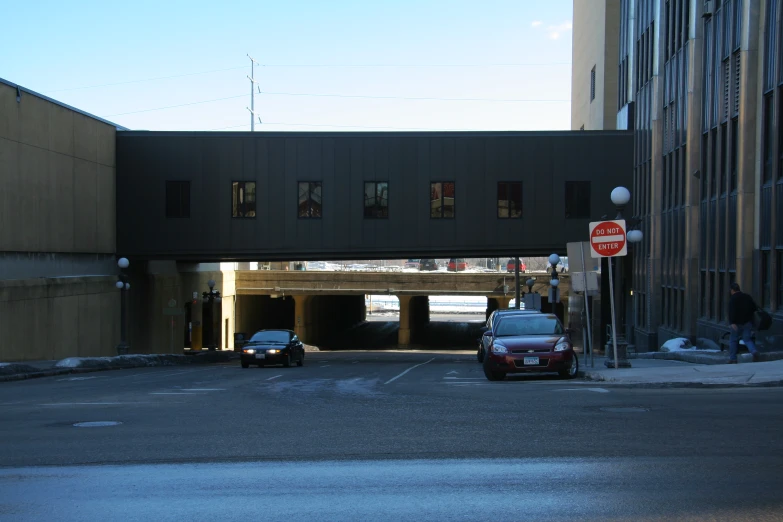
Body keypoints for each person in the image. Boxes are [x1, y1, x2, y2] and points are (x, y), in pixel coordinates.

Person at [728, 283, 760, 363]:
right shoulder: (747, 297)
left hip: (736, 323)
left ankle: (733, 358)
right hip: (747, 322)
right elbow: (754, 308)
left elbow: (731, 311)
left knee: (733, 340)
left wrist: (732, 322)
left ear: (732, 290)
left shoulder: (733, 299)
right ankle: (754, 351)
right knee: (747, 339)